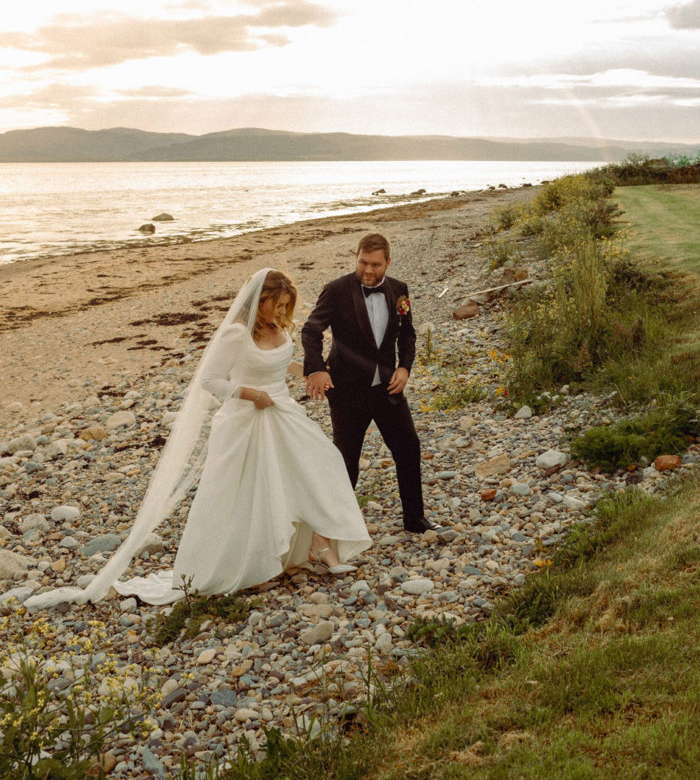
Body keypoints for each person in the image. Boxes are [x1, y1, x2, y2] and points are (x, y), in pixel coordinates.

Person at [26, 268, 370, 612]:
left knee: (316, 467)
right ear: (258, 301)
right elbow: (210, 380)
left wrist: (310, 373)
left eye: (285, 306)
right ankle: (251, 564)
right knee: (251, 491)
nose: (282, 313)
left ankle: (320, 544)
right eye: (276, 305)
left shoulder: (277, 327)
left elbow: (277, 363)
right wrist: (251, 394)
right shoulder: (236, 334)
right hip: (247, 421)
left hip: (283, 412)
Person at [302, 233, 437, 534]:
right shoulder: (336, 290)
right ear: (356, 257)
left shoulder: (399, 290)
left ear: (388, 262)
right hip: (348, 392)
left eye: (376, 264)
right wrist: (316, 370)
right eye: (363, 262)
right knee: (346, 461)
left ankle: (414, 519)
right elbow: (311, 330)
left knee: (408, 448)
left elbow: (408, 334)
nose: (368, 270)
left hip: (388, 388)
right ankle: (336, 528)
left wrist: (404, 368)